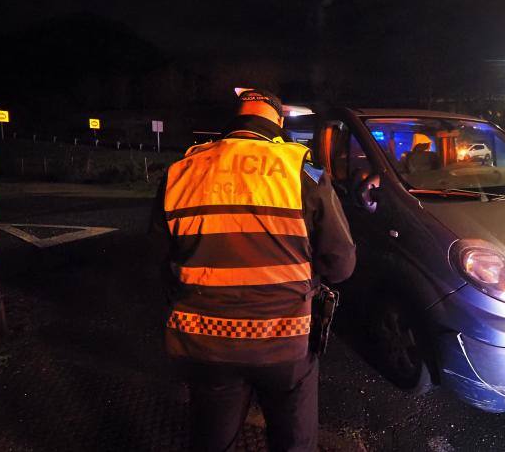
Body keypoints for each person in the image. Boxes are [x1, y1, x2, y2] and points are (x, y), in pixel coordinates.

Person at [150, 88, 356, 451]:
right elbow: (341, 264)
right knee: (293, 440)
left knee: (212, 439)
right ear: (277, 122)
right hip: (285, 340)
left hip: (205, 341)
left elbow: (157, 258)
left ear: (235, 119)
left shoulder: (181, 171)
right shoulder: (303, 171)